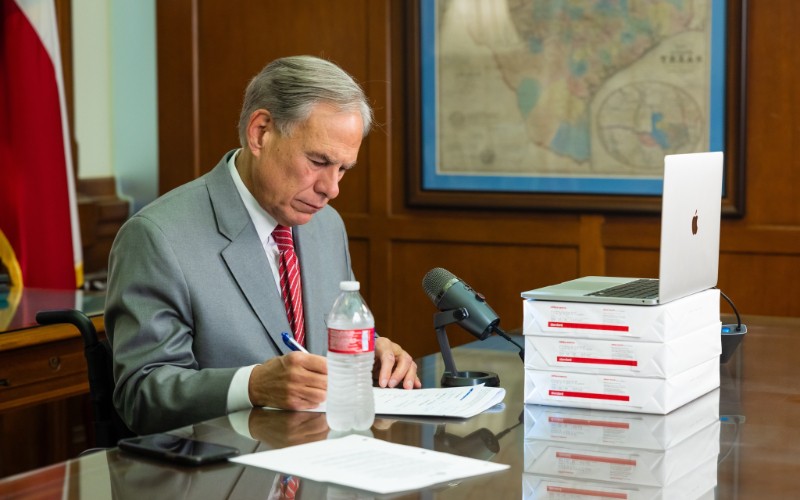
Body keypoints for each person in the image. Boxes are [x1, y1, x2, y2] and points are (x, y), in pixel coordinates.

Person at [106, 55, 420, 435]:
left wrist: (370, 355)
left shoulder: (327, 226)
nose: (331, 189)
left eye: (342, 169)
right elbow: (141, 395)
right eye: (318, 161)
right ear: (260, 133)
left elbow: (325, 346)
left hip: (321, 454)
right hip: (222, 463)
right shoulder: (157, 236)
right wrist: (251, 386)